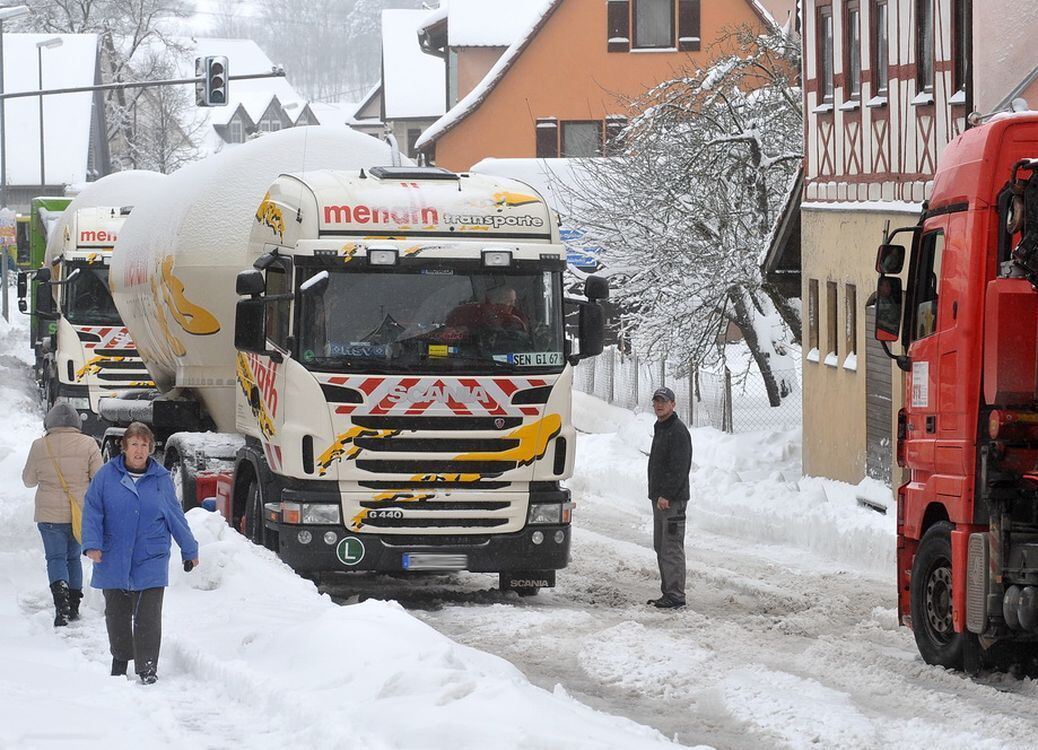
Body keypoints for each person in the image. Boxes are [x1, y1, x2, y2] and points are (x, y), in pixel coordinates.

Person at [82, 422, 199, 684]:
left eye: (144, 445)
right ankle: (120, 660)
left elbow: (174, 516)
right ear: (124, 447)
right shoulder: (105, 476)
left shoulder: (160, 479)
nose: (139, 450)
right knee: (117, 613)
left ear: (151, 448)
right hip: (113, 554)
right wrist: (92, 543)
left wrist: (189, 550)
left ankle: (147, 667)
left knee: (148, 616)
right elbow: (92, 510)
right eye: (134, 444)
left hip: (151, 555)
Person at [22, 403, 103, 627]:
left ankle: (61, 606)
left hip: (48, 516)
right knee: (73, 558)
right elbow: (100, 477)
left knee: (55, 558)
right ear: (77, 423)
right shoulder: (88, 444)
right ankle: (74, 606)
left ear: (49, 423)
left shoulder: (40, 446)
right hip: (79, 513)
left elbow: (28, 480)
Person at [646, 387, 692, 609]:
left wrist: (667, 494)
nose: (659, 405)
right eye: (656, 401)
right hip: (660, 499)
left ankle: (675, 595)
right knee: (661, 546)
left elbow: (679, 467)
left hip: (671, 501)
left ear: (673, 404)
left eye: (663, 401)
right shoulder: (662, 427)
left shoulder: (677, 430)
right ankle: (668, 592)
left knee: (671, 548)